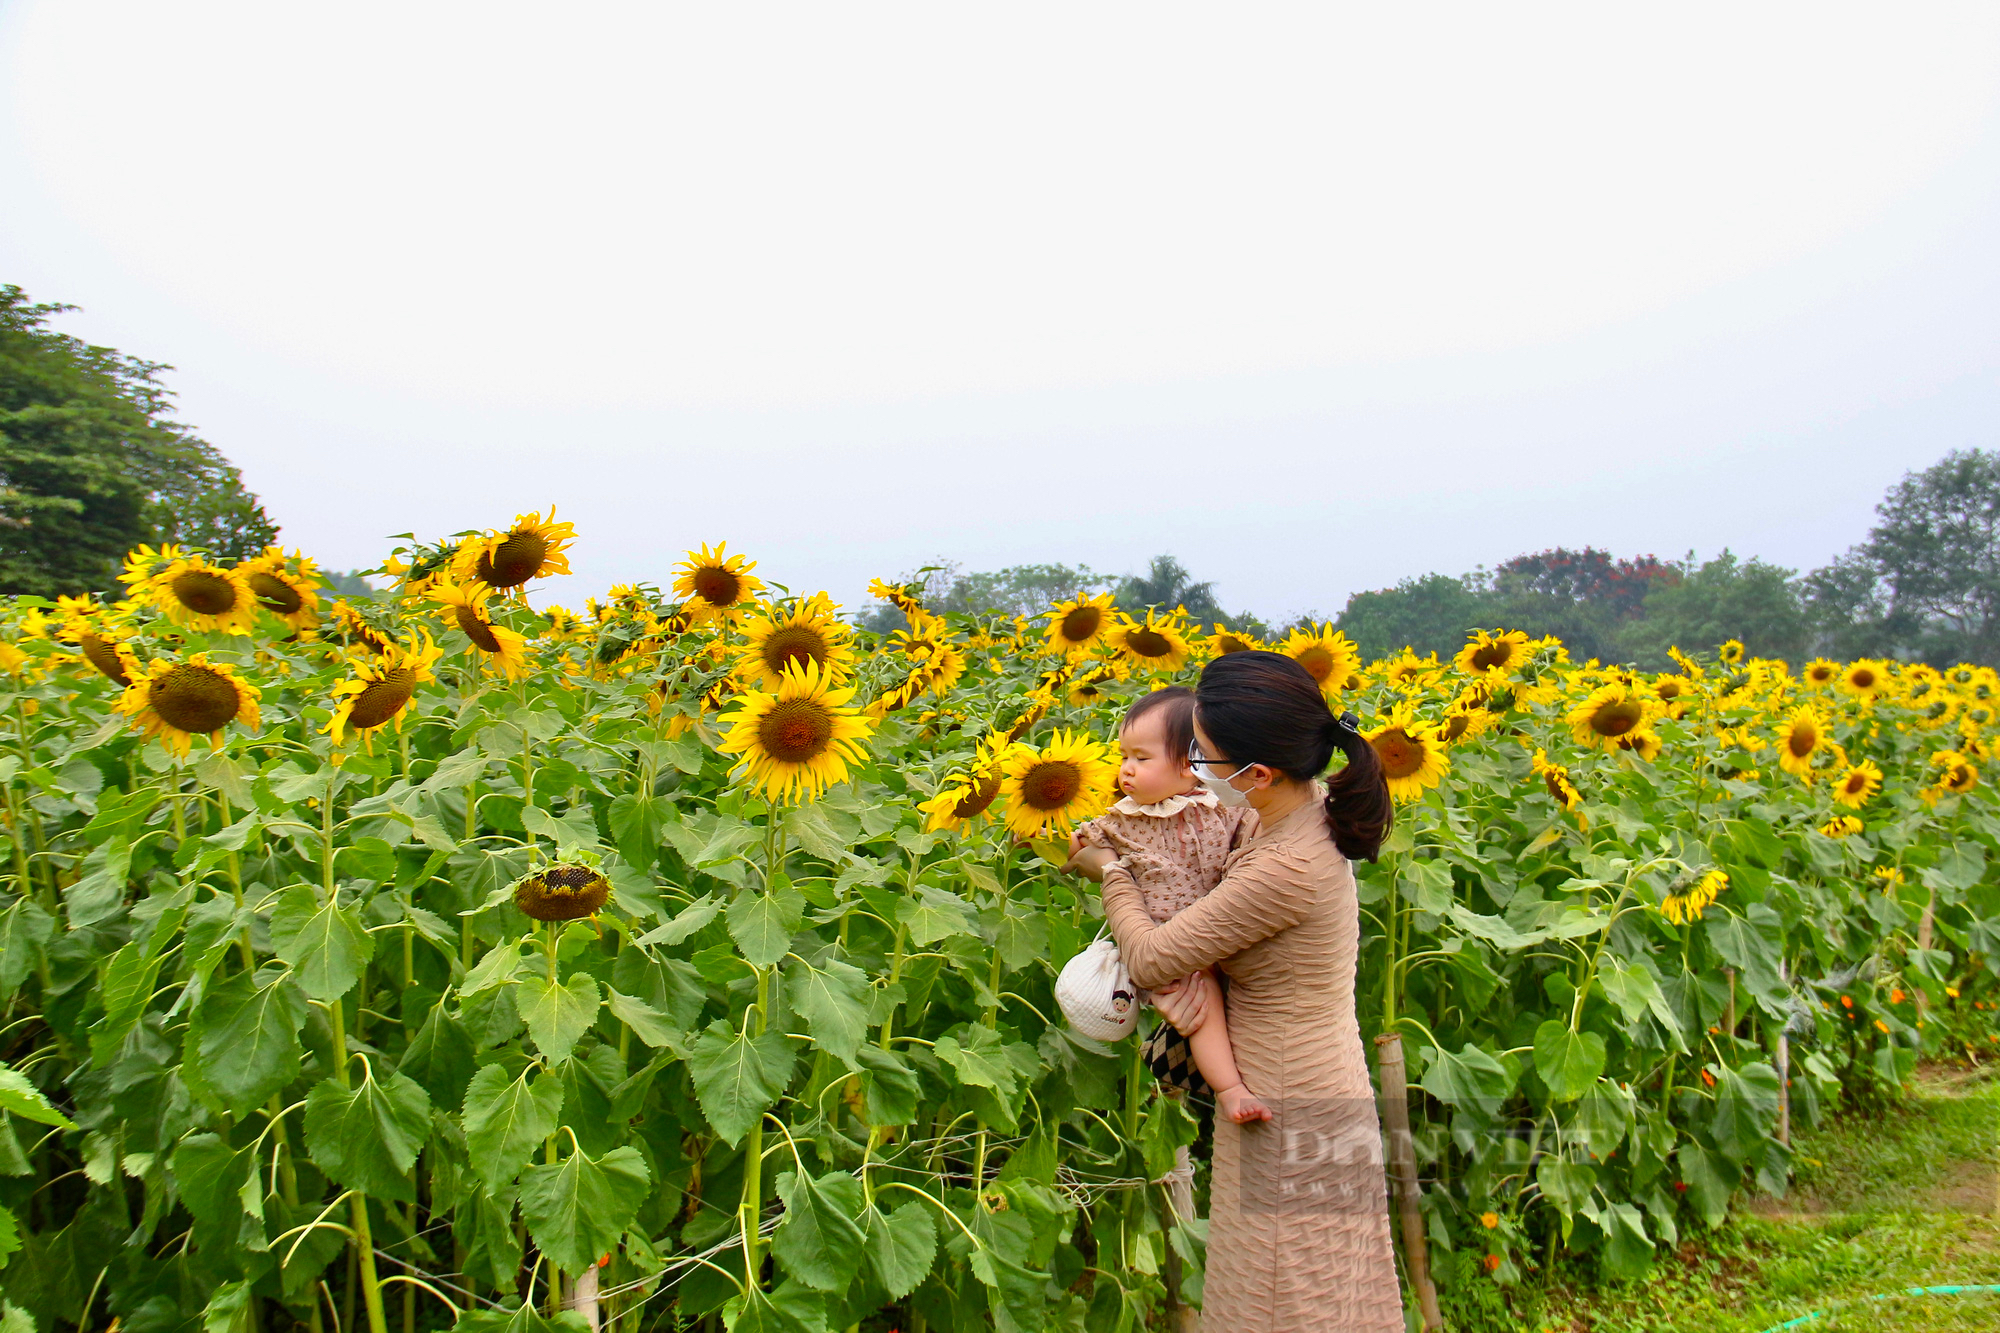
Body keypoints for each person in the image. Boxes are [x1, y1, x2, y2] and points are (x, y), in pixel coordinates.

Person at [1067, 651, 1406, 1332]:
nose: (1193, 767)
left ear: (1257, 772)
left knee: (1280, 1291)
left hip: (1286, 1090)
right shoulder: (1297, 809)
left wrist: (1109, 868)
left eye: (1205, 756)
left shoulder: (1286, 865)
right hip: (1314, 1075)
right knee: (1323, 1285)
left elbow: (1153, 955)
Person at [1066, 686, 1269, 1123]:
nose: (1126, 770)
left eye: (1141, 758)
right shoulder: (1124, 817)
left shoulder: (1219, 806)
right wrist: (1075, 845)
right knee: (1203, 1006)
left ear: (1189, 765)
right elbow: (1086, 841)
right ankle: (1230, 1089)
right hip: (1169, 945)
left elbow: (1251, 828)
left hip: (1221, 929)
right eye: (1124, 757)